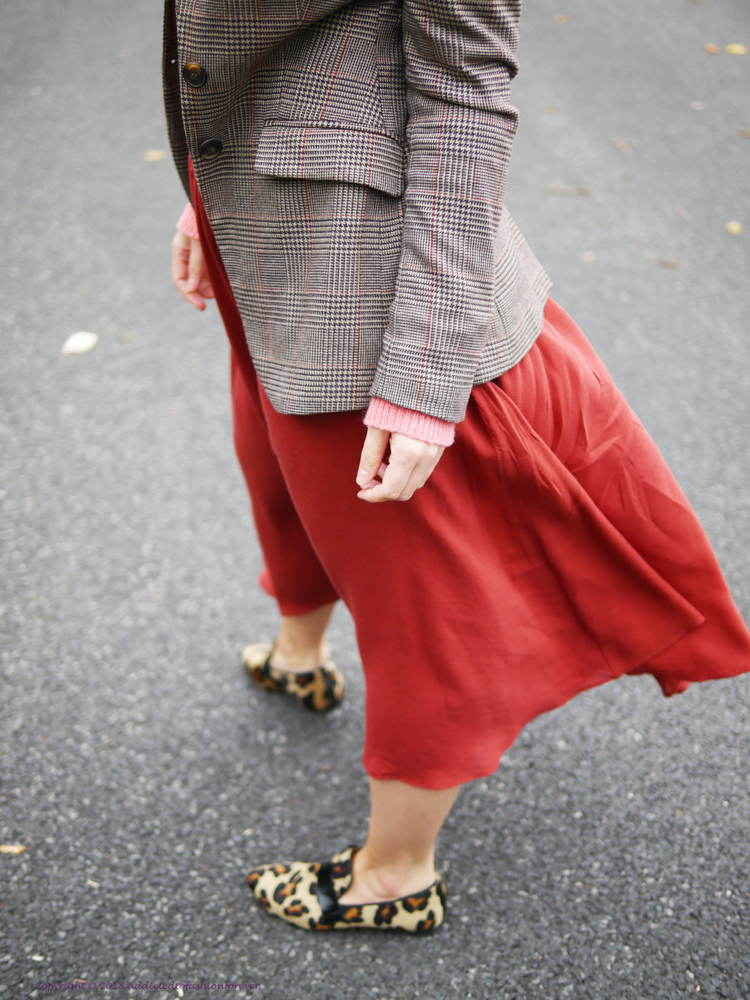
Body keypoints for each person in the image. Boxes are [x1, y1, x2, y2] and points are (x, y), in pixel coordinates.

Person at [164, 0, 750, 933]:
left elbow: (464, 98)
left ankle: (396, 878)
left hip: (373, 283)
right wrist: (212, 195)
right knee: (279, 471)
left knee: (417, 596)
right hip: (267, 227)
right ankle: (298, 656)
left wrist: (424, 379)